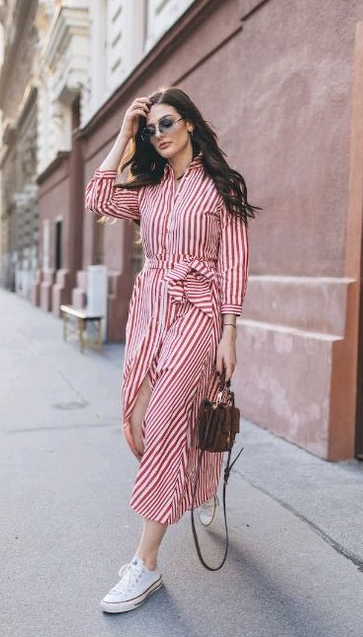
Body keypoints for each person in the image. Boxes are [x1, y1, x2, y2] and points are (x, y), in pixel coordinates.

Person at [85, 86, 260, 614]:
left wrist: (230, 332)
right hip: (150, 310)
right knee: (139, 420)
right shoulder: (151, 188)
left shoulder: (220, 186)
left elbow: (234, 263)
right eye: (151, 128)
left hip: (199, 311)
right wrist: (122, 135)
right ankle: (199, 478)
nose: (158, 135)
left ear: (188, 123)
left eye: (166, 124)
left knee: (162, 421)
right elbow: (97, 197)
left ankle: (147, 563)